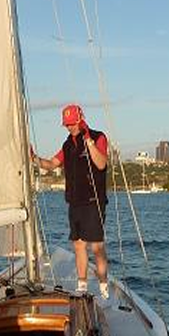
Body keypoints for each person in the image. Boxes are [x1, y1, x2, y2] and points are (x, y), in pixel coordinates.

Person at [32, 104, 110, 299]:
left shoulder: (98, 137)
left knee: (97, 247)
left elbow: (101, 164)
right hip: (74, 202)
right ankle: (82, 285)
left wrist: (88, 141)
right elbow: (51, 164)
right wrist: (34, 158)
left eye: (72, 124)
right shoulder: (67, 144)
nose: (69, 128)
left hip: (93, 201)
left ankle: (103, 285)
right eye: (66, 125)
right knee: (78, 245)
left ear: (81, 119)